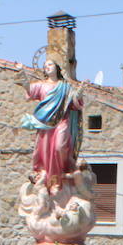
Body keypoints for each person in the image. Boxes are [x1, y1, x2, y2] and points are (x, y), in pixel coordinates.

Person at [22, 59, 83, 187]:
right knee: (44, 150)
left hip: (61, 121)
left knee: (59, 147)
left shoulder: (65, 87)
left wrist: (78, 95)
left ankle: (62, 172)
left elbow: (74, 104)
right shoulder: (41, 85)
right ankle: (47, 177)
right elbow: (29, 91)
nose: (47, 67)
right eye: (45, 66)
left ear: (57, 67)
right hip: (46, 124)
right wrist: (22, 75)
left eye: (50, 64)